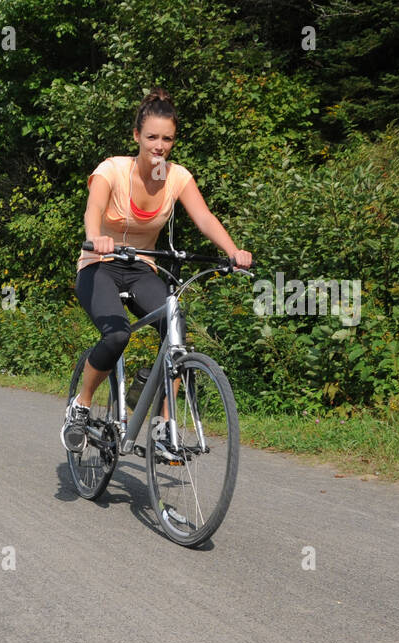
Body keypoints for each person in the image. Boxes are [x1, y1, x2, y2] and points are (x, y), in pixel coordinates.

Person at [63, 88, 252, 454]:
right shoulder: (112, 169)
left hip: (140, 270)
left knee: (175, 330)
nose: (159, 146)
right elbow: (93, 209)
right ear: (137, 136)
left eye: (167, 138)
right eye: (151, 137)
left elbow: (204, 217)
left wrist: (232, 251)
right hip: (99, 266)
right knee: (117, 336)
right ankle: (81, 405)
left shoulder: (178, 177)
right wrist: (95, 238)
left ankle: (164, 426)